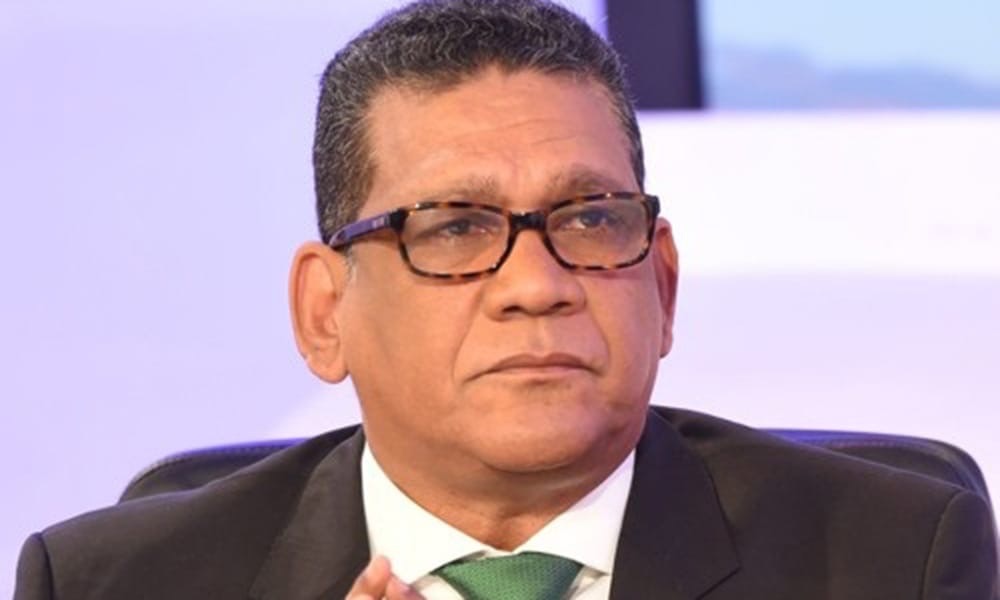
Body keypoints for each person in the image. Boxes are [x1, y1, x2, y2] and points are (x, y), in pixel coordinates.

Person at [14, 1, 998, 599]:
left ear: (660, 285)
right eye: (453, 228)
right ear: (325, 311)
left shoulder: (892, 562)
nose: (537, 286)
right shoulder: (114, 585)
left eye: (591, 219)